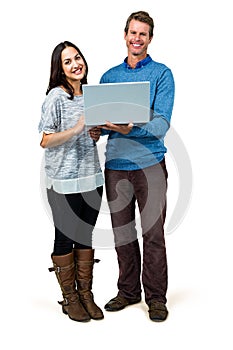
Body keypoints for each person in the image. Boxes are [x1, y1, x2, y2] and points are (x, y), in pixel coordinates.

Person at [93, 11, 175, 322]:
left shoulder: (162, 74)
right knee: (122, 234)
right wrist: (97, 129)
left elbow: (162, 123)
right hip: (115, 165)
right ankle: (128, 291)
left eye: (143, 34)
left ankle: (155, 297)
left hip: (150, 164)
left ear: (150, 38)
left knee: (153, 234)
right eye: (132, 32)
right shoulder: (109, 77)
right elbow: (102, 125)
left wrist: (131, 129)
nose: (136, 38)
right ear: (125, 35)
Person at [38, 41, 104, 322]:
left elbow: (92, 132)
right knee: (65, 237)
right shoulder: (56, 97)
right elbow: (45, 139)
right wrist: (77, 127)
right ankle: (70, 298)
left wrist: (94, 133)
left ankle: (86, 294)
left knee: (86, 236)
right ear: (60, 69)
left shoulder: (91, 95)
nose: (75, 63)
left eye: (77, 57)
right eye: (67, 61)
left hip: (92, 177)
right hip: (64, 181)